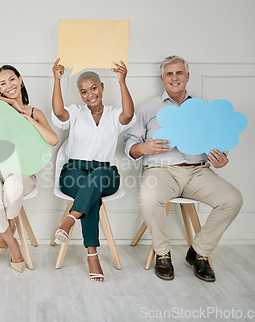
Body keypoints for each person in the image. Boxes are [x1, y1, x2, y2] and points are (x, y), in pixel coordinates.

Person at [123, 55, 243, 282]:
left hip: (198, 171)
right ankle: (162, 254)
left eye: (179, 73)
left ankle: (199, 251)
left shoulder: (203, 108)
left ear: (187, 77)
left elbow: (218, 142)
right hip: (160, 170)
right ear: (162, 78)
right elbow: (128, 143)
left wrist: (222, 157)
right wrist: (143, 146)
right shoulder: (148, 108)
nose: (174, 77)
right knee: (148, 199)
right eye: (169, 73)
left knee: (232, 199)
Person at [51, 58, 135, 283]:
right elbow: (59, 114)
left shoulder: (113, 115)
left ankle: (70, 219)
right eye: (84, 91)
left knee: (97, 177)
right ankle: (92, 255)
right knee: (91, 196)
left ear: (102, 87)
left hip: (105, 173)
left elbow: (128, 114)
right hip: (73, 171)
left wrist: (122, 81)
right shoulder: (76, 112)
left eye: (94, 88)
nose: (90, 94)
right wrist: (57, 80)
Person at [0, 65, 58, 272]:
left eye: (12, 79)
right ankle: (13, 246)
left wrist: (28, 119)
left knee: (13, 189)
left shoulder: (34, 111)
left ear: (20, 80)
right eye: (2, 83)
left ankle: (5, 236)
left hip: (22, 171)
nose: (9, 85)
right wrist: (10, 102)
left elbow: (53, 139)